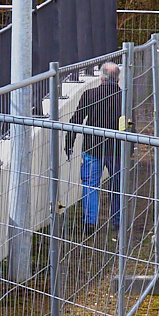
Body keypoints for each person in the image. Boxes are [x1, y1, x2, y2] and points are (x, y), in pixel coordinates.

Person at [65, 61, 124, 232]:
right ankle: (118, 221)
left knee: (90, 184)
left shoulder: (90, 94)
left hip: (93, 146)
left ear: (101, 78)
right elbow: (129, 124)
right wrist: (131, 147)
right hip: (116, 148)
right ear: (118, 79)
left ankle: (90, 222)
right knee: (117, 184)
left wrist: (69, 143)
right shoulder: (124, 97)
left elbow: (76, 120)